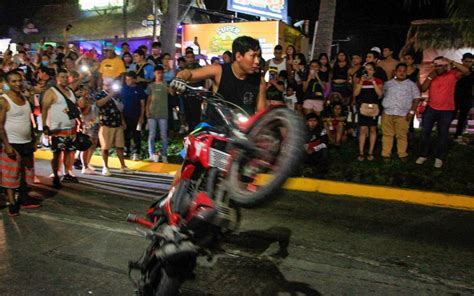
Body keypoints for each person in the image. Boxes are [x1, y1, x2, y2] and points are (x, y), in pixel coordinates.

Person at [171, 35, 267, 117]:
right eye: (253, 56)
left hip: (243, 134)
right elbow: (190, 73)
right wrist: (180, 78)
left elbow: (261, 113)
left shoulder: (259, 81)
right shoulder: (219, 70)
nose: (257, 61)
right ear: (238, 56)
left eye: (258, 56)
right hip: (216, 130)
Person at [416, 56, 470, 168]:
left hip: (446, 110)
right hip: (431, 108)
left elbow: (466, 71)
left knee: (442, 134)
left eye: (440, 65)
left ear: (445, 66)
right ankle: (423, 155)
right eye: (435, 65)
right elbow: (423, 89)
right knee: (425, 133)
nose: (437, 68)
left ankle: (439, 157)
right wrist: (430, 77)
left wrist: (451, 61)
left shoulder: (453, 74)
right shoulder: (432, 74)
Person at [0, 71, 40, 216]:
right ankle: (12, 202)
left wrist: (34, 139)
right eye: (13, 81)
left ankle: (24, 197)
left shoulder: (24, 98)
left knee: (25, 173)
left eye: (19, 80)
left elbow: (29, 120)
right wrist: (7, 145)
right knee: (11, 174)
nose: (17, 84)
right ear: (7, 83)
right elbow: (0, 125)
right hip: (12, 143)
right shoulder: (4, 101)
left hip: (26, 142)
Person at [42, 69, 81, 187]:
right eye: (62, 77)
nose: (64, 79)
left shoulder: (70, 91)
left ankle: (67, 172)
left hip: (71, 127)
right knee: (57, 153)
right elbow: (44, 108)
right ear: (57, 78)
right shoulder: (52, 91)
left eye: (66, 77)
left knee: (70, 152)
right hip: (57, 129)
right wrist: (45, 125)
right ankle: (56, 175)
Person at [381, 63, 420, 161]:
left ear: (406, 72)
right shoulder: (388, 84)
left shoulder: (411, 85)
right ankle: (386, 153)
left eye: (404, 71)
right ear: (395, 72)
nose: (401, 73)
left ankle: (402, 153)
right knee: (387, 134)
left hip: (403, 114)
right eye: (399, 71)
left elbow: (416, 99)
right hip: (388, 112)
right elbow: (383, 94)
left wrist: (411, 112)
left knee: (401, 135)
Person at [96, 79, 134, 176]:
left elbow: (119, 110)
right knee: (105, 147)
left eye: (110, 85)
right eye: (107, 85)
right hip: (106, 124)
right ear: (103, 85)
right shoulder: (101, 95)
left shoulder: (117, 96)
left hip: (117, 124)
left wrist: (123, 121)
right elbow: (99, 104)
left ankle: (123, 166)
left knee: (120, 146)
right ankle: (105, 167)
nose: (108, 87)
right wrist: (110, 95)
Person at [353, 62, 384, 161]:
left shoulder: (378, 80)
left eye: (370, 69)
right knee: (362, 129)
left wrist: (373, 82)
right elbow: (356, 93)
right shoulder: (361, 81)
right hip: (363, 107)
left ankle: (370, 151)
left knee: (373, 129)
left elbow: (380, 94)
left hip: (374, 107)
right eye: (366, 69)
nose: (368, 71)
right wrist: (361, 82)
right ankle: (361, 152)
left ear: (374, 71)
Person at [121, 71, 146, 160]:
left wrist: (142, 116)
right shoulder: (123, 89)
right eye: (126, 79)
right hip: (125, 115)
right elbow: (120, 104)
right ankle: (126, 151)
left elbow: (143, 104)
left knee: (136, 135)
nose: (127, 81)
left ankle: (136, 152)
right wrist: (122, 119)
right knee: (126, 134)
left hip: (136, 116)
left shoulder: (139, 89)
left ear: (134, 80)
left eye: (129, 79)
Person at [146, 65, 170, 163]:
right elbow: (148, 99)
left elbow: (172, 93)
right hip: (152, 113)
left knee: (163, 135)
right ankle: (151, 154)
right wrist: (147, 111)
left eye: (161, 72)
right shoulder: (151, 86)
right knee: (152, 135)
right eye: (158, 73)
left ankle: (164, 155)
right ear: (154, 73)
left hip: (163, 113)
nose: (160, 74)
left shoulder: (166, 84)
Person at [453, 52, 473, 142]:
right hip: (454, 97)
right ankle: (443, 133)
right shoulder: (455, 70)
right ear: (462, 61)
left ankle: (458, 135)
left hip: (467, 98)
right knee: (451, 116)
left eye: (470, 61)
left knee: (463, 118)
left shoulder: (472, 72)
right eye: (466, 61)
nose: (468, 63)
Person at [304, 113, 329, 177]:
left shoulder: (321, 130)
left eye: (314, 120)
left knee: (324, 150)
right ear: (307, 122)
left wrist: (314, 149)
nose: (312, 123)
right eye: (310, 121)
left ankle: (321, 172)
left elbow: (325, 143)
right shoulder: (302, 130)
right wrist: (305, 149)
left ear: (317, 122)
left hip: (316, 153)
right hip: (303, 153)